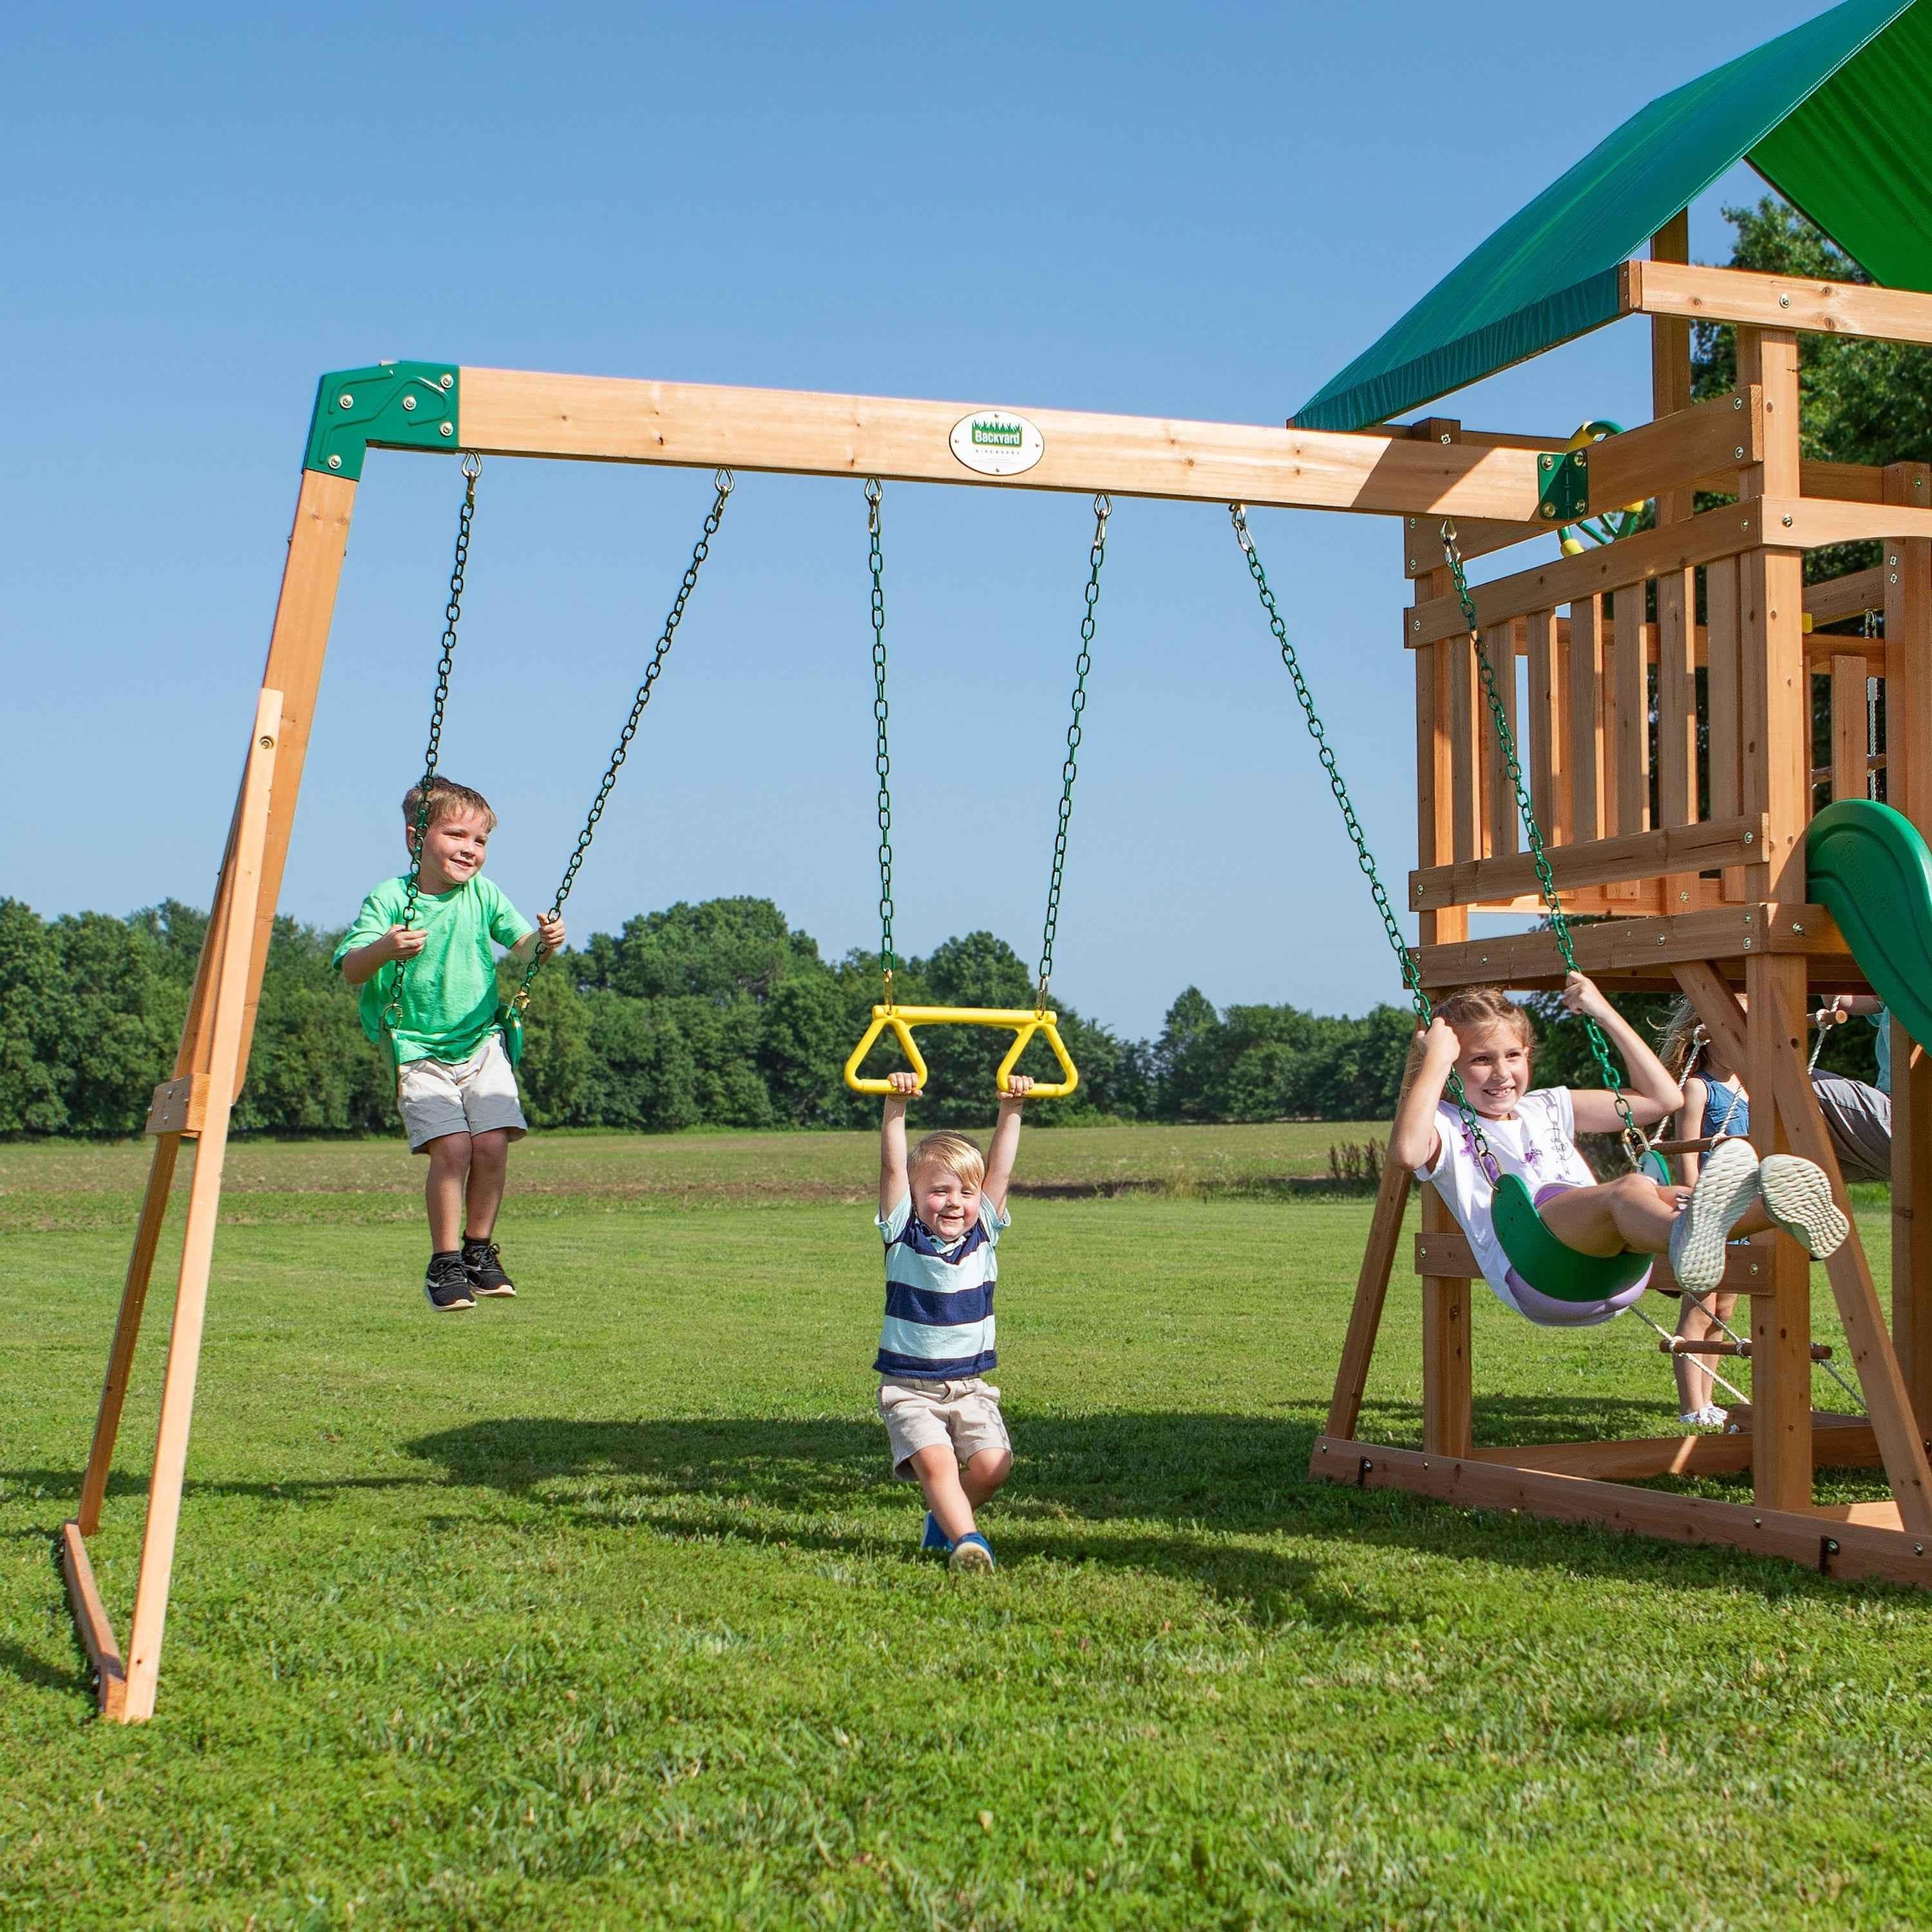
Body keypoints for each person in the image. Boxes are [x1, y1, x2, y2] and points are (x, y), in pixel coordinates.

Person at [1387, 975, 1848, 1325]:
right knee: (1635, 1189)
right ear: (1450, 1067)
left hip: (1620, 1273)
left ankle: (1775, 1207)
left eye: (1513, 1056)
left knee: (1661, 1197)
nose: (1501, 1073)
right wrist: (1435, 1061)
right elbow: (1407, 1152)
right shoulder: (1444, 1127)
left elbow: (1662, 1100)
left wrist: (1604, 1012)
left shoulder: (1547, 1106)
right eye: (1480, 1060)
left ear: (1529, 1055)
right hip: (1540, 1272)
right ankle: (1694, 1226)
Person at [334, 779, 565, 1311]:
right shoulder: (392, 897)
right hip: (417, 1048)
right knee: (454, 1148)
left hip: (483, 1040)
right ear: (416, 838)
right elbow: (350, 967)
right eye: (456, 834)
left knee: (493, 1144)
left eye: (480, 840)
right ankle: (444, 1264)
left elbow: (523, 947)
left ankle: (479, 1251)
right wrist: (386, 948)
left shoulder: (482, 894)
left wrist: (546, 942)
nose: (470, 849)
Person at [874, 1068, 1033, 1573]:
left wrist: (1011, 1109)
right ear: (917, 1199)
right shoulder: (903, 1235)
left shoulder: (983, 1232)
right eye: (939, 1191)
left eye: (965, 1192)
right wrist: (895, 1107)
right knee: (939, 1464)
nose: (954, 1203)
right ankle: (969, 1541)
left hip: (970, 1386)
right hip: (910, 1389)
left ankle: (942, 1522)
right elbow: (893, 1171)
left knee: (993, 1468)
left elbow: (1001, 1174)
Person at [1654, 998, 1751, 1428]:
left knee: (1724, 1312)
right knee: (1700, 1308)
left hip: (1743, 1211)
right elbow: (1687, 1150)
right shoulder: (1699, 1088)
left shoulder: (1750, 1085)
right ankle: (1692, 1406)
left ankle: (1709, 1400)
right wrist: (1696, 1201)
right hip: (1710, 1209)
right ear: (1707, 1036)